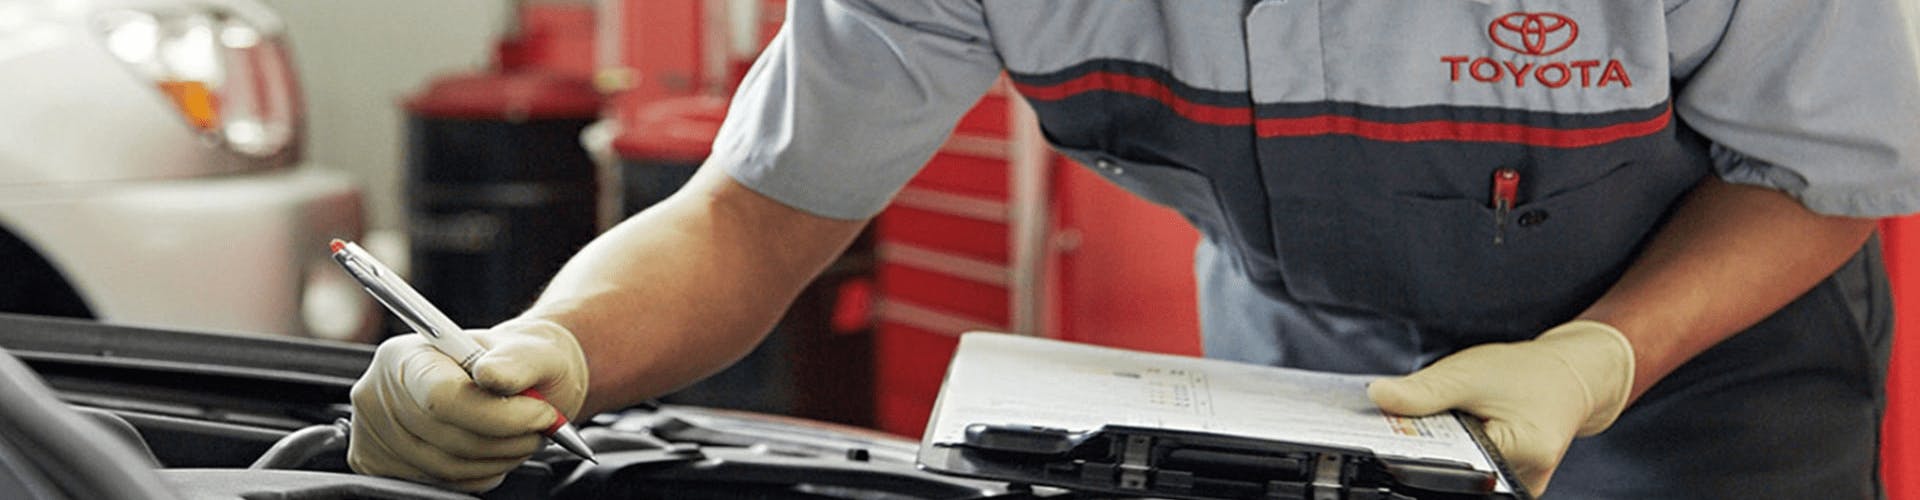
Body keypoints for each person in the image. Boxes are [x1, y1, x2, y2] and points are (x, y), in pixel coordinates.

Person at [343, 2, 1920, 497]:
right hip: (1307, 384)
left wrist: (1600, 358)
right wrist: (557, 343)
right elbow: (757, 210)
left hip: (1707, 387)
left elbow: (1826, 164)